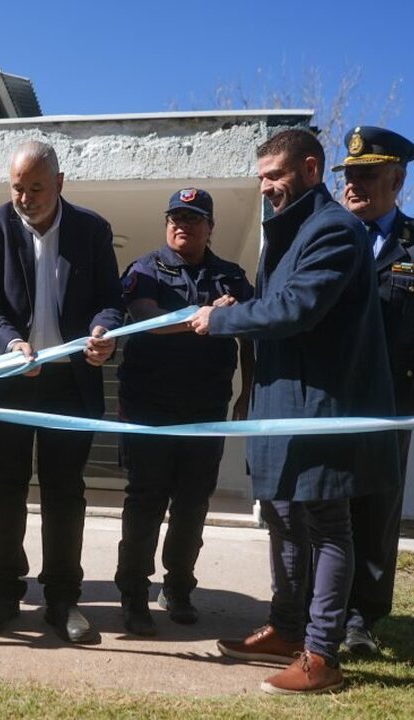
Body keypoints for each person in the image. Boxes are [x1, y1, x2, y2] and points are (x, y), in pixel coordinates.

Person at [190, 129, 400, 694]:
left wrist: (224, 320)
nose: (265, 188)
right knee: (282, 518)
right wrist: (244, 306)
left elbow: (300, 308)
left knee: (328, 527)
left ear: (310, 169)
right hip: (280, 407)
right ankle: (286, 629)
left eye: (274, 176)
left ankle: (322, 654)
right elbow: (278, 304)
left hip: (317, 409)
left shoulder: (334, 229)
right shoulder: (288, 232)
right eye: (261, 177)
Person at [0, 140, 123, 644]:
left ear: (59, 184)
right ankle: (5, 594)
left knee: (63, 492)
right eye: (17, 187)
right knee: (4, 486)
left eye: (36, 188)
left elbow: (109, 302)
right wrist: (10, 343)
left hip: (69, 383)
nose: (25, 197)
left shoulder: (92, 229)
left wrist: (103, 335)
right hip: (11, 378)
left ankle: (61, 600)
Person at [114, 188, 254, 636]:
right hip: (149, 408)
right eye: (175, 216)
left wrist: (248, 390)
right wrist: (209, 315)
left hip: (205, 408)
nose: (182, 225)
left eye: (194, 219)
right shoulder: (144, 269)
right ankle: (134, 594)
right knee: (145, 502)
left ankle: (178, 588)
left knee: (192, 505)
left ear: (210, 228)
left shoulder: (231, 278)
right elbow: (145, 317)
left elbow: (253, 333)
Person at [334, 125, 414, 655]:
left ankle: (362, 618)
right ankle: (319, 613)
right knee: (325, 507)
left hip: (391, 403)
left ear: (397, 178)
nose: (355, 184)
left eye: (367, 175)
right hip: (330, 400)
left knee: (377, 511)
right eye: (351, 174)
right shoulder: (328, 237)